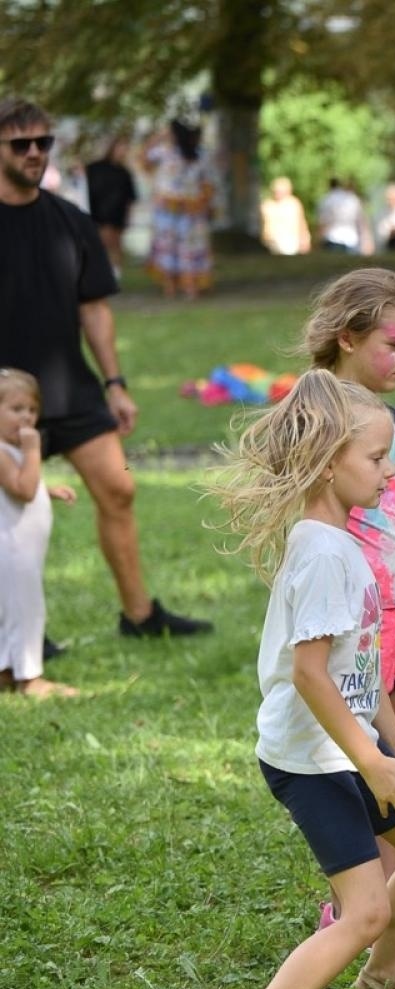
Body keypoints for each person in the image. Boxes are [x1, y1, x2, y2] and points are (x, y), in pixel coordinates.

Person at [206, 370, 395, 989]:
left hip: (352, 745)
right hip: (311, 761)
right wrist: (371, 761)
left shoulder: (345, 542)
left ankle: (386, 978)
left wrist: (394, 752)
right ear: (326, 462)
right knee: (365, 909)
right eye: (376, 458)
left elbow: (363, 669)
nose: (390, 472)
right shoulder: (321, 552)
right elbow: (311, 674)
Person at [0, 99, 211, 639]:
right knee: (9, 519)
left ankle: (139, 616)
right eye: (20, 144)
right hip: (3, 400)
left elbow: (93, 308)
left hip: (70, 387)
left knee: (119, 489)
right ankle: (17, 638)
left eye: (43, 143)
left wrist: (115, 383)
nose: (34, 153)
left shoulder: (71, 221)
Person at [299, 268, 395, 939]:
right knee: (362, 762)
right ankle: (351, 901)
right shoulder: (323, 414)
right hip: (360, 617)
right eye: (393, 344)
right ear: (348, 336)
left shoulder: (382, 419)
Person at [0, 368, 78, 698]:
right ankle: (30, 679)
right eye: (16, 409)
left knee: (13, 610)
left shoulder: (10, 450)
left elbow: (23, 488)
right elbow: (23, 489)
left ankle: (7, 671)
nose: (27, 417)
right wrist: (34, 451)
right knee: (26, 610)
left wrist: (49, 491)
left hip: (21, 550)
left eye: (32, 410)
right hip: (12, 550)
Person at [143, 119, 214, 298]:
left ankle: (187, 287)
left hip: (186, 209)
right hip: (174, 209)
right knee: (175, 248)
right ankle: (175, 287)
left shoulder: (196, 154)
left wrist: (158, 137)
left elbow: (207, 183)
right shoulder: (169, 152)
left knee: (181, 248)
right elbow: (145, 159)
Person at [84, 135, 137, 276]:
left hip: (117, 216)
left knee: (115, 247)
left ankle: (115, 276)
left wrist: (127, 218)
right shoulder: (95, 168)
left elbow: (130, 198)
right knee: (99, 247)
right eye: (121, 147)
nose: (123, 151)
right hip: (98, 215)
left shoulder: (125, 173)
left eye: (125, 148)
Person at [318, 178, 373, 255]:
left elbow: (323, 222)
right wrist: (367, 240)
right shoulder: (352, 198)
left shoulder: (326, 200)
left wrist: (319, 240)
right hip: (352, 239)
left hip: (333, 238)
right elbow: (361, 221)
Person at [260, 176, 311, 256]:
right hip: (270, 242)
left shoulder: (294, 204)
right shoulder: (267, 205)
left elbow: (301, 222)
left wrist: (304, 239)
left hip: (290, 241)